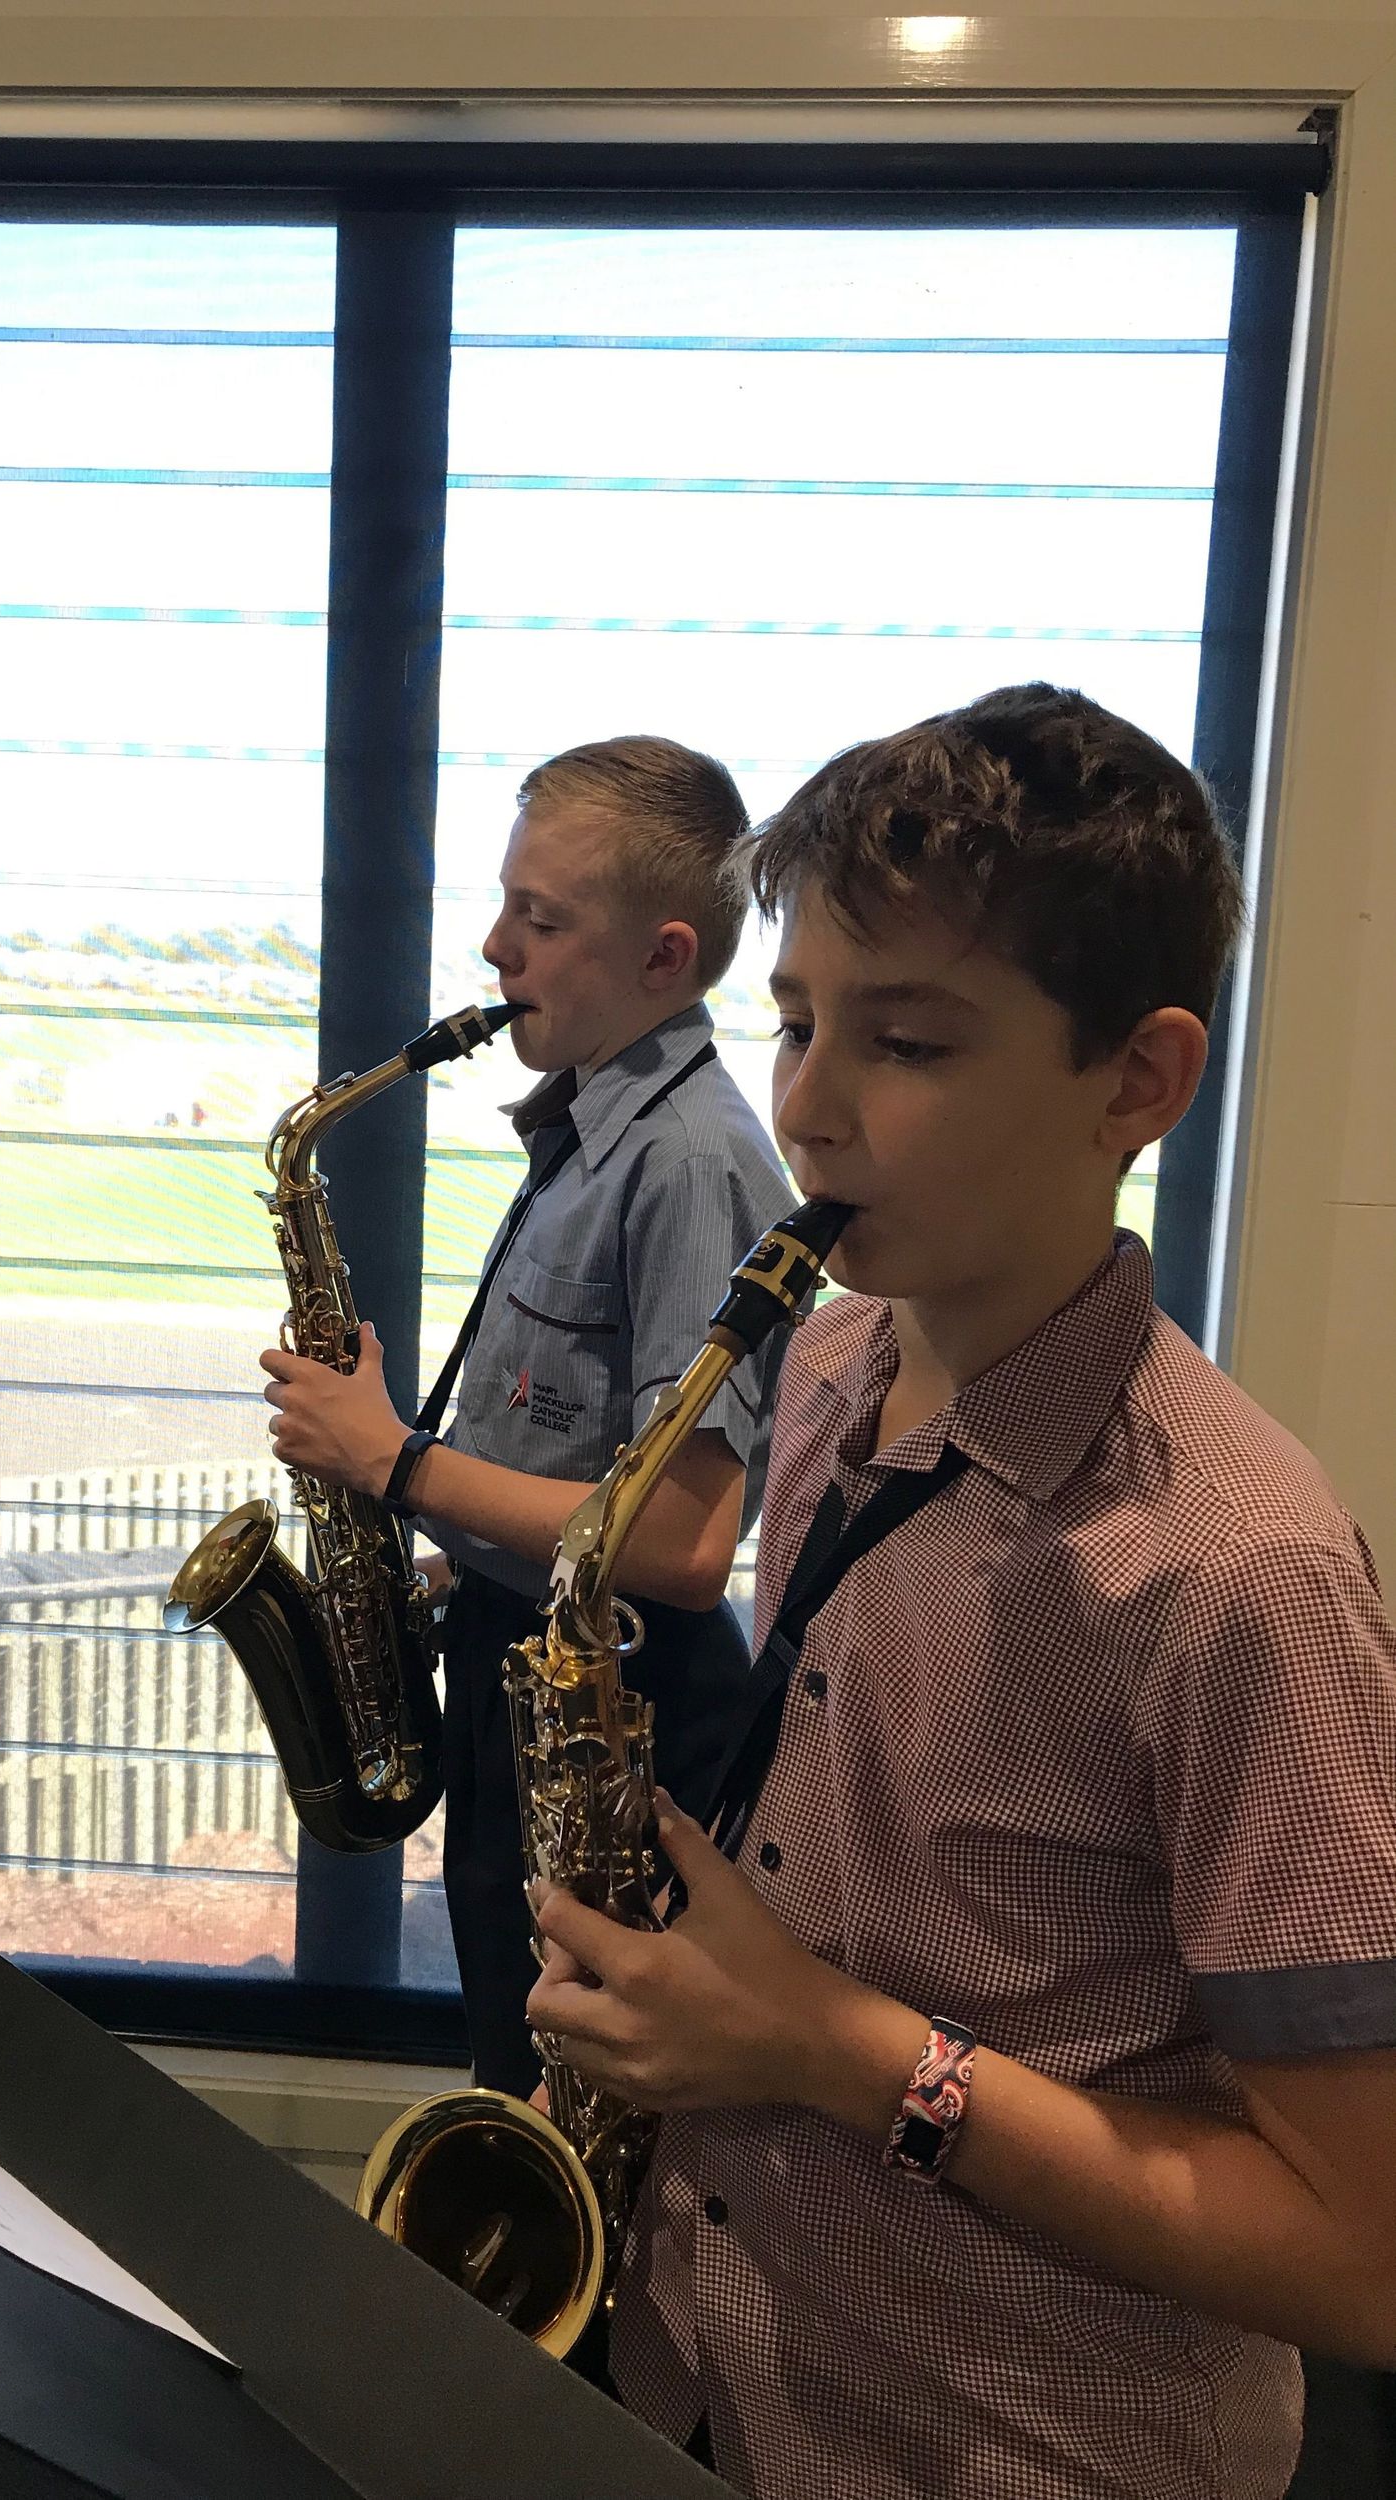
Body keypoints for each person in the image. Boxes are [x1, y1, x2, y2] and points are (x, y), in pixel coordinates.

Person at [526, 683, 1396, 2500]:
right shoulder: (833, 1361)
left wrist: (839, 2053)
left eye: (908, 1044)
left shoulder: (1240, 1574)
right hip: (719, 2376)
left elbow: (1362, 2258)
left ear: (1139, 1083)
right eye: (794, 1024)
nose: (809, 1112)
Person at [260, 735, 794, 2094]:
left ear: (664, 958)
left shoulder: (690, 1161)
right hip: (533, 1669)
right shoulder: (599, 1127)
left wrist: (396, 1463)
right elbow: (589, 1453)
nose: (495, 947)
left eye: (541, 920)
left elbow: (683, 1546)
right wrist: (474, 1553)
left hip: (623, 1725)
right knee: (515, 2063)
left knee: (569, 2109)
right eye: (507, 906)